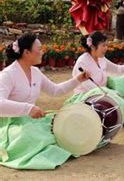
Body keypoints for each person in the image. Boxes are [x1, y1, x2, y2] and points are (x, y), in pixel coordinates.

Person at [0, 33, 90, 170]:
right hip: (10, 126)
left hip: (31, 122)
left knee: (60, 130)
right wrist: (28, 109)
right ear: (26, 53)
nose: (43, 51)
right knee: (33, 136)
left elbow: (55, 90)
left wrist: (78, 79)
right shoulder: (8, 75)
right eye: (39, 48)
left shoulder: (35, 72)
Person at [66, 31, 124, 128]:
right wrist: (110, 93)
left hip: (104, 93)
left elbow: (118, 69)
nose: (106, 48)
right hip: (87, 96)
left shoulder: (101, 59)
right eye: (103, 46)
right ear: (92, 47)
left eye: (106, 45)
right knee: (117, 99)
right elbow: (90, 87)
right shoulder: (82, 62)